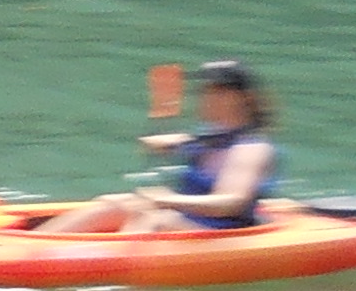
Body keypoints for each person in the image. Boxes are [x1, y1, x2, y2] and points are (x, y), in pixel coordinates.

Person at [30, 60, 282, 236]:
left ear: (243, 99)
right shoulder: (211, 136)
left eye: (217, 91)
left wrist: (167, 200)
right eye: (205, 90)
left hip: (222, 232)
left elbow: (232, 202)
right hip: (189, 221)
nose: (206, 97)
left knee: (155, 217)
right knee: (118, 202)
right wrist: (170, 144)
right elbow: (193, 142)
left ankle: (105, 272)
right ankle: (37, 244)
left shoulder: (252, 149)